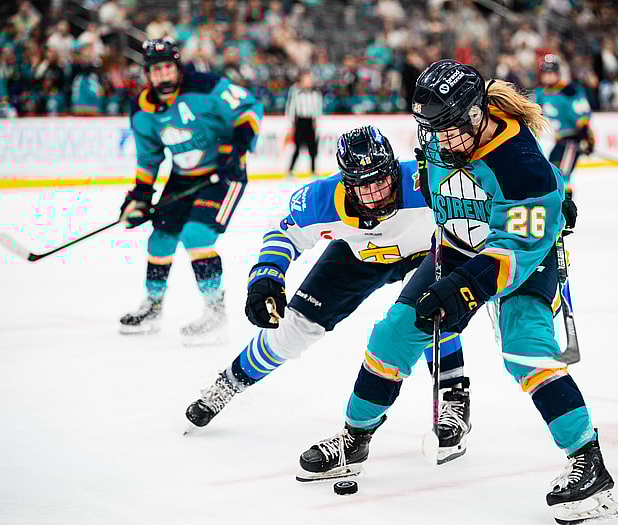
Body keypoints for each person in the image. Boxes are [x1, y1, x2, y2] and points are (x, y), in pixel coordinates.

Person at [300, 60, 618, 524]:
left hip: (524, 262)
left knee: (525, 352)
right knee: (393, 334)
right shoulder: (438, 139)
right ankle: (355, 438)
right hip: (455, 249)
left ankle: (588, 462)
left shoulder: (521, 165)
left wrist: (463, 288)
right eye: (433, 129)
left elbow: (515, 250)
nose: (442, 140)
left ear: (477, 114)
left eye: (450, 128)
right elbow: (433, 192)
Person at [185, 126, 470, 469]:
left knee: (430, 309)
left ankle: (454, 396)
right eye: (363, 185)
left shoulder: (423, 179)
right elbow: (283, 233)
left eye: (381, 179)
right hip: (359, 254)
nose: (376, 193)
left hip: (428, 253)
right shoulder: (321, 199)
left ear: (395, 169)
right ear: (346, 183)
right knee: (291, 330)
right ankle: (228, 383)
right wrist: (266, 275)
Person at [118, 37, 263, 344]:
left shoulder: (206, 86)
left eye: (168, 68)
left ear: (178, 67)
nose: (163, 75)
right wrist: (140, 197)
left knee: (196, 236)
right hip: (183, 177)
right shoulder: (142, 110)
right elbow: (149, 157)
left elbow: (250, 107)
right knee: (159, 239)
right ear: (147, 74)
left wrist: (237, 146)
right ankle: (153, 307)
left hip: (224, 174)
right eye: (155, 70)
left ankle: (215, 312)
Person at [533, 54, 594, 199]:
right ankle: (558, 203)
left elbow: (582, 113)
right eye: (545, 73)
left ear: (557, 73)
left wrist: (585, 135)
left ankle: (566, 206)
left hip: (572, 139)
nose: (547, 77)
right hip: (560, 139)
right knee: (553, 170)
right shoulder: (541, 93)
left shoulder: (569, 90)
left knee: (562, 173)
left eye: (550, 73)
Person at [285, 71, 323, 177]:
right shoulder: (296, 91)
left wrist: (316, 120)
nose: (308, 82)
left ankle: (313, 170)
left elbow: (318, 107)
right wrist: (292, 122)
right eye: (306, 79)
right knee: (297, 147)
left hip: (310, 121)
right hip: (300, 121)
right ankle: (291, 170)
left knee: (313, 148)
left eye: (309, 79)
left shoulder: (316, 92)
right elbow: (291, 106)